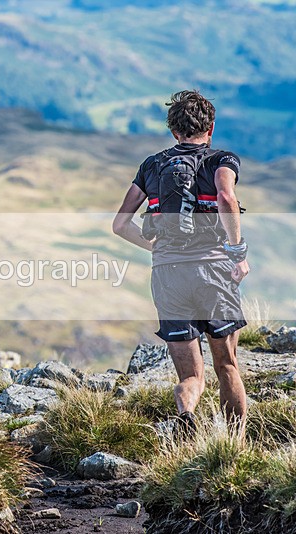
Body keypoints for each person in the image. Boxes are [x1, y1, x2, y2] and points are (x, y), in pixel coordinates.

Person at [113, 90, 250, 435]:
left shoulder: (151, 166)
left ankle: (186, 410)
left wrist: (155, 247)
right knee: (227, 365)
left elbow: (119, 224)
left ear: (174, 131)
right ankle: (232, 444)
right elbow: (225, 197)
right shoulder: (222, 160)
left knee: (190, 376)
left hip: (168, 275)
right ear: (211, 127)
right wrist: (238, 250)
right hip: (213, 272)